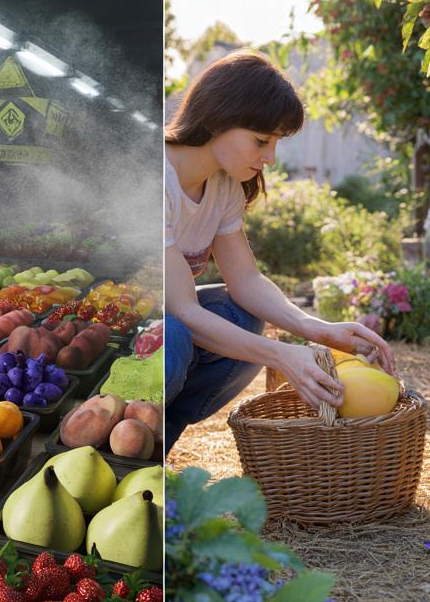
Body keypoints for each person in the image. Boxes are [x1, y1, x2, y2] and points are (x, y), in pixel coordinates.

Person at [164, 50, 395, 455]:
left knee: (244, 315)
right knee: (177, 335)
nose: (269, 157)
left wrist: (316, 328)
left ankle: (159, 438)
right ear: (219, 119)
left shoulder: (223, 188)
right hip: (119, 331)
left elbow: (247, 281)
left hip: (163, 324)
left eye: (274, 143)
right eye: (261, 140)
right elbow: (182, 311)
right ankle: (131, 439)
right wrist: (283, 355)